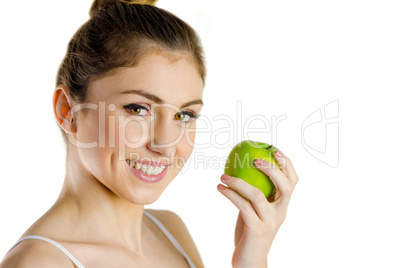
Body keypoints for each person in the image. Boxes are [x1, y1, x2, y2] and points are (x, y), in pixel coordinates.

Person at [0, 0, 299, 267]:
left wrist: (253, 258)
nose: (166, 145)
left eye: (184, 115)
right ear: (68, 110)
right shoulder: (39, 263)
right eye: (137, 109)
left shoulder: (172, 232)